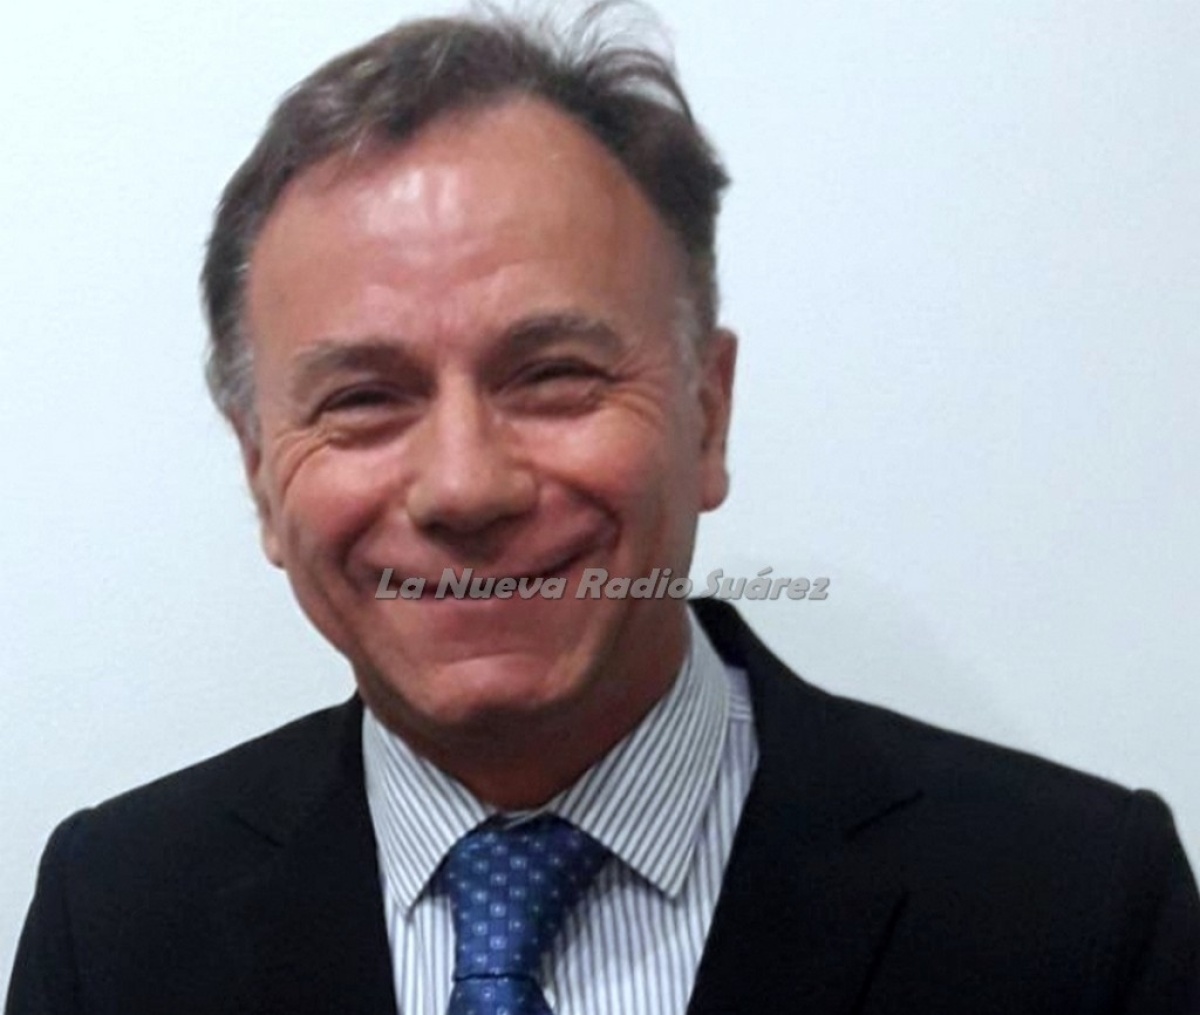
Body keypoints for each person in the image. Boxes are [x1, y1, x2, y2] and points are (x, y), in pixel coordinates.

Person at [7, 5, 1198, 1013]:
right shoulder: (114, 925)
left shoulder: (1077, 913)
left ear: (707, 414)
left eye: (554, 376)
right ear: (262, 472)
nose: (465, 485)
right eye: (365, 400)